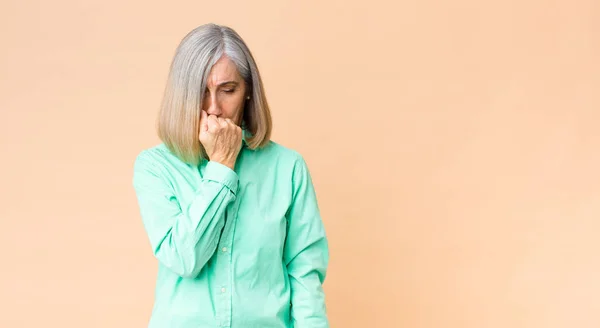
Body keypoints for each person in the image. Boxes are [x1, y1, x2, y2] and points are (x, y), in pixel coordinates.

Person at [132, 23, 330, 328]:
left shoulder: (287, 167)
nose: (214, 108)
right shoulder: (156, 166)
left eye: (228, 90)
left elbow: (304, 273)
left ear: (248, 91)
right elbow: (184, 259)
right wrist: (222, 167)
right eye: (201, 92)